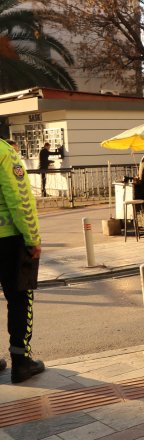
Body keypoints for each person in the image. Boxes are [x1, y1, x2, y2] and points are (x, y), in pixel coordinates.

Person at [0, 139, 45, 382]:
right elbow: (20, 199)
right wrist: (32, 238)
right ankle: (21, 362)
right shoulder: (5, 152)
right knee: (20, 298)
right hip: (9, 239)